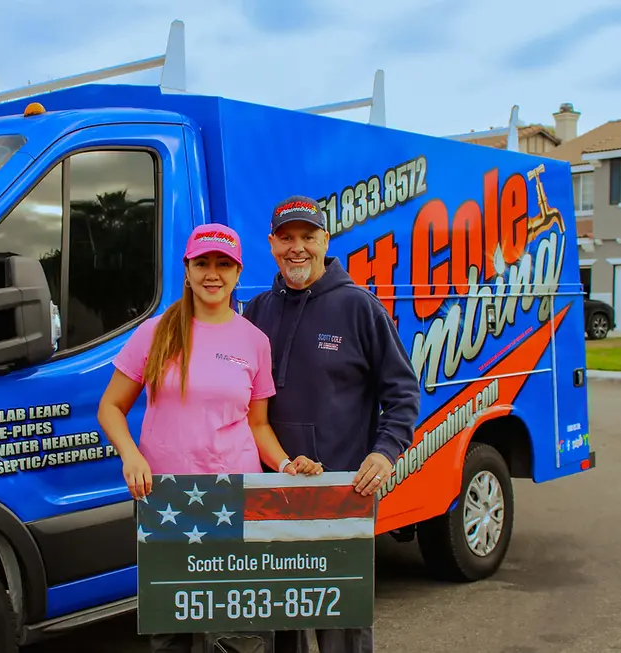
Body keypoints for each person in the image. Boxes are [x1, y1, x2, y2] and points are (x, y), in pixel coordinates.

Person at [97, 222, 322, 653]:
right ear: (187, 268)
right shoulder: (155, 332)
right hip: (165, 498)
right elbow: (111, 408)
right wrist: (131, 456)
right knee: (171, 632)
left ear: (237, 272)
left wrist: (285, 464)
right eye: (203, 263)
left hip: (233, 498)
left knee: (239, 633)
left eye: (223, 264)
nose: (212, 274)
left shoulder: (255, 341)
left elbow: (258, 425)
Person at [242, 195, 422, 653]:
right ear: (271, 244)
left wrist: (384, 452)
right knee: (281, 626)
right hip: (273, 493)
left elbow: (402, 393)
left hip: (343, 493)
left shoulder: (359, 307)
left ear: (325, 240)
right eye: (286, 238)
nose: (296, 248)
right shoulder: (258, 311)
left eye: (307, 237)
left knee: (341, 631)